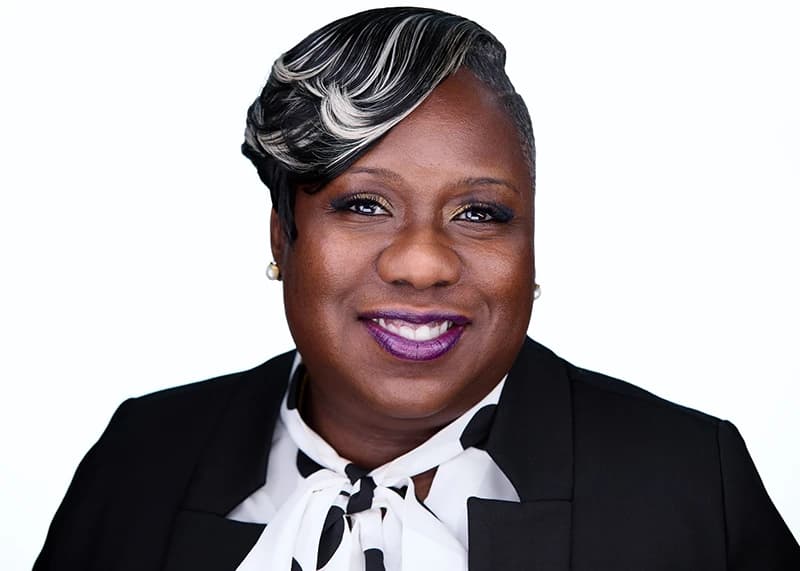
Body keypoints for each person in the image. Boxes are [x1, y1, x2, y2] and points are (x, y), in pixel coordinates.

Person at [33, 7, 799, 571]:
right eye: (364, 204)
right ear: (282, 235)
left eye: (480, 212)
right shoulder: (140, 457)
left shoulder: (690, 479)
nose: (423, 263)